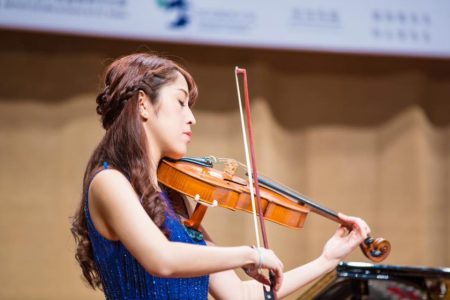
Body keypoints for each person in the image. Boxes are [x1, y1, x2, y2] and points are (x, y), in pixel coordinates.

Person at [71, 52, 371, 300]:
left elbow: (241, 295)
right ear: (143, 104)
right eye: (180, 102)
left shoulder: (172, 199)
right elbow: (161, 259)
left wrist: (327, 260)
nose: (192, 117)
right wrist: (250, 254)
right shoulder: (109, 183)